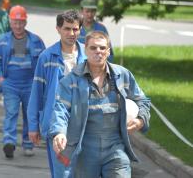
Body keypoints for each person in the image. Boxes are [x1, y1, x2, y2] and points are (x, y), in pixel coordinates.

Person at [50, 31, 151, 177]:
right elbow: (60, 109)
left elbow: (142, 100)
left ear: (108, 51)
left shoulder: (122, 75)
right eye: (93, 48)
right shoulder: (71, 80)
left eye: (102, 48)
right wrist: (59, 132)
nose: (98, 51)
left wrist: (141, 120)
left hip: (116, 146)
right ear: (86, 50)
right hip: (85, 149)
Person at [27, 9, 86, 177]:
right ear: (58, 29)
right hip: (55, 124)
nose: (71, 33)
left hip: (84, 124)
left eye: (75, 29)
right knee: (62, 172)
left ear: (80, 30)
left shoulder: (87, 55)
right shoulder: (47, 57)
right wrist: (33, 126)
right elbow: (37, 92)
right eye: (67, 28)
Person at [0, 6, 45, 158]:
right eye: (15, 22)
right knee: (11, 113)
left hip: (30, 85)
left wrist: (41, 82)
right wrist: (0, 78)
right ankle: (9, 142)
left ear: (25, 22)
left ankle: (28, 144)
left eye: (21, 22)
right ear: (10, 22)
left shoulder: (36, 41)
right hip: (10, 84)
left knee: (30, 114)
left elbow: (44, 61)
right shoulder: (2, 41)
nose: (18, 26)